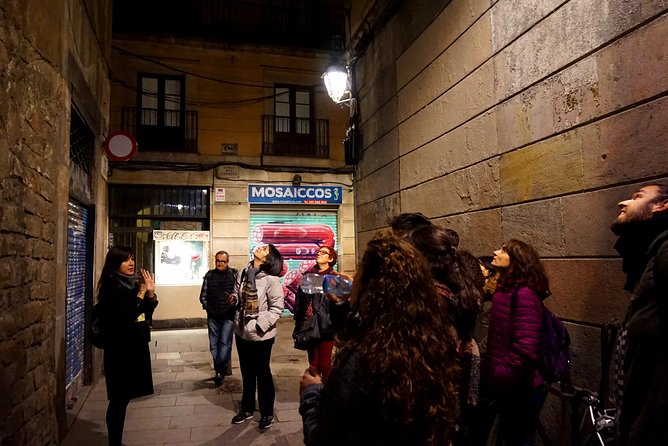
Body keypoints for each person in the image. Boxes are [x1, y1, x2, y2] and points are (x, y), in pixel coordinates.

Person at [299, 230, 461, 445]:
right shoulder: (430, 340)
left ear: (369, 285)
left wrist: (309, 394)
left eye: (359, 272)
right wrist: (342, 305)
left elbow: (324, 437)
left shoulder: (363, 357)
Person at [610, 183, 668, 446]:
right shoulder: (649, 253)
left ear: (662, 205)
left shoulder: (665, 247)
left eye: (637, 197)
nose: (622, 203)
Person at [485, 240, 549, 446]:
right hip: (508, 385)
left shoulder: (524, 294)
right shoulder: (505, 289)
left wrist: (501, 374)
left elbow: (525, 349)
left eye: (503, 250)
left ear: (517, 260)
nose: (495, 252)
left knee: (520, 439)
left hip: (521, 386)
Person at [96, 246, 158, 446]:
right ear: (115, 264)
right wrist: (141, 292)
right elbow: (126, 316)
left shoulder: (130, 284)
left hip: (135, 346)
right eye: (125, 260)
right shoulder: (110, 287)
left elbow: (143, 315)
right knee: (118, 400)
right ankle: (114, 442)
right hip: (119, 350)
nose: (131, 263)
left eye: (132, 258)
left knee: (124, 399)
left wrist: (150, 295)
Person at [230, 243, 284, 430]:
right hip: (241, 330)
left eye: (266, 249)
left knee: (262, 372)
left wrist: (261, 325)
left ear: (268, 258)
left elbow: (277, 308)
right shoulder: (244, 272)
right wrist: (234, 299)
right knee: (246, 372)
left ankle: (267, 412)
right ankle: (247, 409)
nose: (260, 248)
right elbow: (238, 295)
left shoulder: (271, 280)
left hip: (262, 334)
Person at [293, 245, 338, 381]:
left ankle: (327, 394)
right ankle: (315, 393)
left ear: (330, 259)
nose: (319, 254)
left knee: (325, 364)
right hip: (309, 324)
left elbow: (338, 304)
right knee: (313, 364)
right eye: (319, 252)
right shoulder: (308, 276)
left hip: (326, 325)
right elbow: (300, 299)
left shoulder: (334, 278)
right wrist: (299, 320)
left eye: (324, 253)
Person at [199, 250, 238, 385]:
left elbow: (237, 293)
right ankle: (219, 369)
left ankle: (220, 368)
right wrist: (207, 307)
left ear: (227, 262)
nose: (220, 263)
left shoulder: (234, 275)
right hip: (213, 316)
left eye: (223, 261)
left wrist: (233, 303)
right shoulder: (210, 275)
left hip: (228, 315)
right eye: (218, 261)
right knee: (214, 344)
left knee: (225, 343)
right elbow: (202, 295)